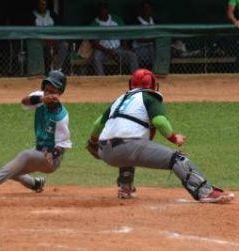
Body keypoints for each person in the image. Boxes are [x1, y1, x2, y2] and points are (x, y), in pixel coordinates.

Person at [87, 68, 235, 203]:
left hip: (105, 151)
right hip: (129, 148)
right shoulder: (150, 97)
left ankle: (125, 188)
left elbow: (97, 124)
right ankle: (205, 192)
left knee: (130, 149)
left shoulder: (119, 100)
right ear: (152, 85)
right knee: (178, 159)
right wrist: (174, 137)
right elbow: (159, 121)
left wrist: (93, 142)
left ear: (131, 84)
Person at [0, 70, 72, 193]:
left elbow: (63, 144)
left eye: (53, 91)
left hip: (52, 159)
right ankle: (35, 184)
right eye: (47, 89)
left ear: (60, 93)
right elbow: (24, 101)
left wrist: (52, 155)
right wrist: (42, 98)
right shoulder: (40, 98)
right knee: (12, 168)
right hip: (38, 150)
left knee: (24, 156)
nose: (49, 93)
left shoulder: (61, 116)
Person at [91, 2, 139, 75]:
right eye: (101, 11)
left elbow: (125, 34)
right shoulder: (94, 23)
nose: (103, 12)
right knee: (96, 57)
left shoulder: (116, 19)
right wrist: (106, 50)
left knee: (132, 56)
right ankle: (101, 79)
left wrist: (123, 47)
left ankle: (136, 77)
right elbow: (94, 43)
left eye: (104, 10)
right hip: (103, 51)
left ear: (108, 11)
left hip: (118, 49)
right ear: (98, 12)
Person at [27, 0, 69, 76]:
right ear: (37, 5)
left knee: (64, 45)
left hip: (53, 39)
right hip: (40, 40)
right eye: (40, 4)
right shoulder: (31, 15)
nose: (42, 6)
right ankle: (39, 72)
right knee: (36, 45)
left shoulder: (52, 14)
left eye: (43, 4)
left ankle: (57, 69)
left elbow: (59, 28)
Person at [131, 0, 156, 70]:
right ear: (141, 10)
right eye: (144, 8)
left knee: (162, 50)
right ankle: (155, 73)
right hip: (140, 48)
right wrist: (154, 39)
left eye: (148, 8)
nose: (146, 10)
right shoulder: (136, 22)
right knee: (153, 51)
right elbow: (139, 39)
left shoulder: (154, 21)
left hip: (152, 47)